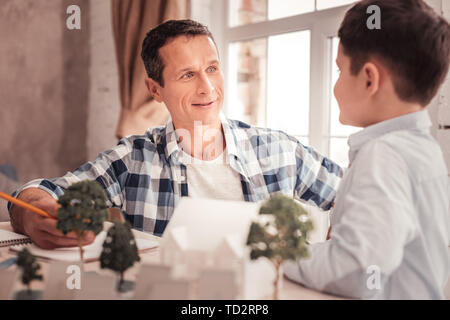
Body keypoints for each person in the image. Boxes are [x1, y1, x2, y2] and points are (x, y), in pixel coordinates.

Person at [8, 19, 343, 250]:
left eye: (212, 68)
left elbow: (358, 196)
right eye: (188, 75)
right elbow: (38, 193)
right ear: (155, 89)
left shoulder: (278, 151)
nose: (208, 87)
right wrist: (34, 213)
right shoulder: (133, 159)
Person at [284, 0, 450, 299]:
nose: (335, 86)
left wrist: (283, 253)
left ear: (369, 79)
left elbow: (357, 271)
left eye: (339, 70)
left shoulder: (384, 156)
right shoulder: (425, 150)